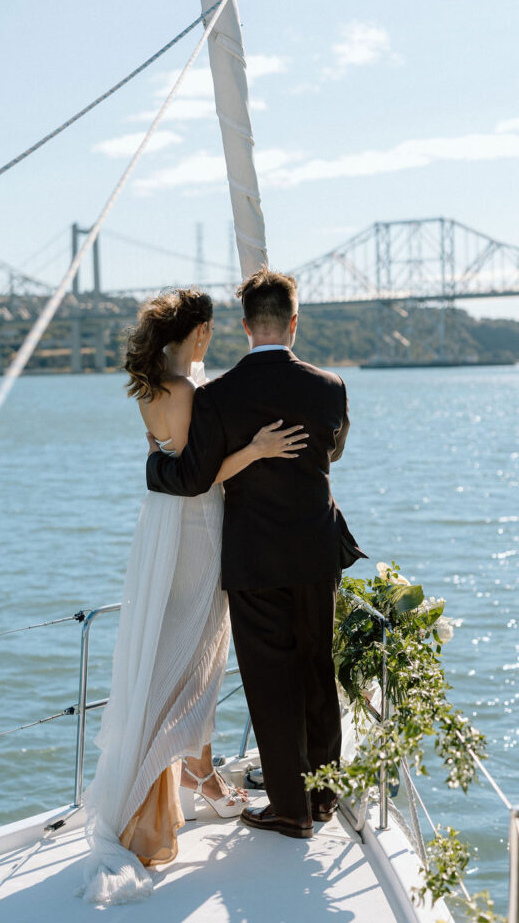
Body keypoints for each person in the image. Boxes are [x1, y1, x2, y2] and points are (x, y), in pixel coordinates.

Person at [79, 287, 306, 905]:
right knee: (201, 644)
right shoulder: (187, 392)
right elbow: (202, 474)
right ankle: (187, 771)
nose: (211, 340)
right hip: (196, 526)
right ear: (197, 332)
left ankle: (190, 769)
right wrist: (256, 449)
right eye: (207, 331)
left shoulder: (154, 386)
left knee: (173, 643)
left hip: (160, 524)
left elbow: (166, 459)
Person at [146, 269, 365, 840]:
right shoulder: (331, 386)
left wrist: (153, 464)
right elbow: (332, 451)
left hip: (253, 561)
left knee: (270, 683)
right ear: (294, 322)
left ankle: (289, 808)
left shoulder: (217, 395)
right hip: (316, 555)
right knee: (318, 673)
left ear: (245, 326)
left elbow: (193, 479)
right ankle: (322, 797)